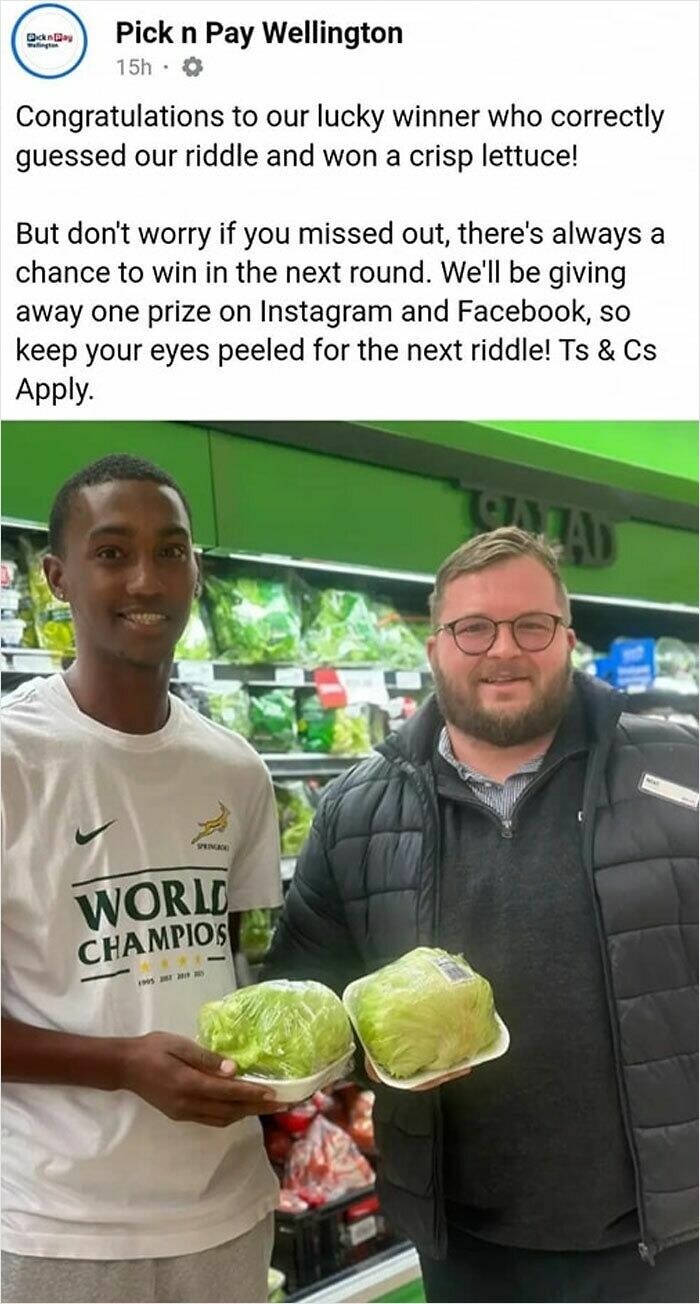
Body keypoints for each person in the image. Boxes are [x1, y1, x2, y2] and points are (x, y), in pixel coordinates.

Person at [265, 526, 698, 1304]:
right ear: (435, 646)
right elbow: (307, 990)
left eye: (532, 625)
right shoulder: (355, 811)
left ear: (567, 639)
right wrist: (362, 1054)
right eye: (473, 628)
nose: (503, 649)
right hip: (467, 1247)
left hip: (669, 1239)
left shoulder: (679, 771)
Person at [1, 455, 283, 1304]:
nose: (147, 580)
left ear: (197, 569)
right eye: (112, 552)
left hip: (227, 1209)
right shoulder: (14, 758)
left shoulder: (236, 770)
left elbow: (233, 972)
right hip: (58, 1227)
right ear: (57, 577)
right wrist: (123, 1063)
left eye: (171, 551)